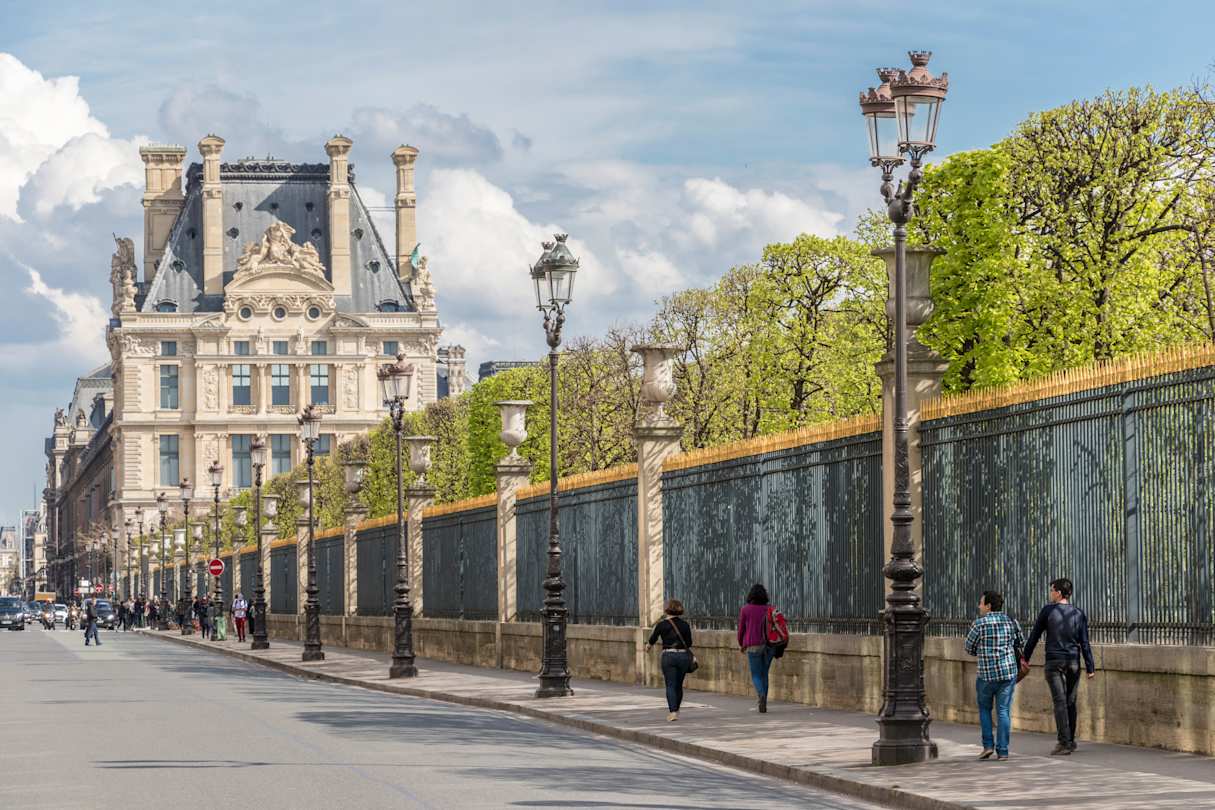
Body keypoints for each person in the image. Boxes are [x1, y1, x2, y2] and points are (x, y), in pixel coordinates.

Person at [1022, 577, 1096, 755]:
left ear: (1059, 592)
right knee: (1070, 701)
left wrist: (1025, 657)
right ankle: (1070, 741)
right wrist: (1090, 666)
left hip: (1054, 662)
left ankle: (1064, 742)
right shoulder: (1078, 613)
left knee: (1060, 702)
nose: (1050, 593)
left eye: (1052, 590)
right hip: (1073, 662)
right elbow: (1084, 642)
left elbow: (1034, 636)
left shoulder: (1048, 611)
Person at [964, 590, 1024, 761]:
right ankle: (1003, 751)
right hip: (1007, 673)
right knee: (1003, 711)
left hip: (986, 674)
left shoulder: (979, 624)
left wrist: (983, 651)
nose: (979, 606)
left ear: (988, 606)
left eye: (981, 603)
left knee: (985, 709)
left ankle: (988, 746)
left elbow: (969, 648)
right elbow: (1020, 643)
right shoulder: (1011, 622)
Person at [645, 599, 695, 722]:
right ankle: (676, 709)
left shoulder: (662, 625)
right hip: (683, 656)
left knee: (670, 685)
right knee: (679, 685)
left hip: (668, 656)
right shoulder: (685, 625)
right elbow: (689, 643)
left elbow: (652, 639)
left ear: (667, 609)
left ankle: (672, 712)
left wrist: (648, 647)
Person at [737, 583, 776, 713]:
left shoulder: (745, 609)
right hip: (770, 646)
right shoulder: (770, 609)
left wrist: (741, 643)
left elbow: (741, 629)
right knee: (764, 673)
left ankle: (761, 695)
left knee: (756, 675)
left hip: (753, 645)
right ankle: (764, 700)